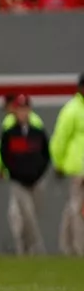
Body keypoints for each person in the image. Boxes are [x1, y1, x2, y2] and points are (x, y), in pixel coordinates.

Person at [0, 95, 51, 255]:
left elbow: (45, 155)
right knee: (23, 215)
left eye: (25, 109)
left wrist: (38, 174)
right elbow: (3, 153)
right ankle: (34, 248)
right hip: (18, 181)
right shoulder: (9, 131)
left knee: (31, 215)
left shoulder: (37, 130)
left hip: (36, 181)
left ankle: (26, 248)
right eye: (19, 109)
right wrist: (8, 171)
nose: (22, 112)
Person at [49, 75, 84, 256]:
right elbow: (59, 139)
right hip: (77, 168)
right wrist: (58, 163)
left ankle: (67, 246)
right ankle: (79, 248)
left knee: (72, 208)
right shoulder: (72, 110)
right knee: (77, 208)